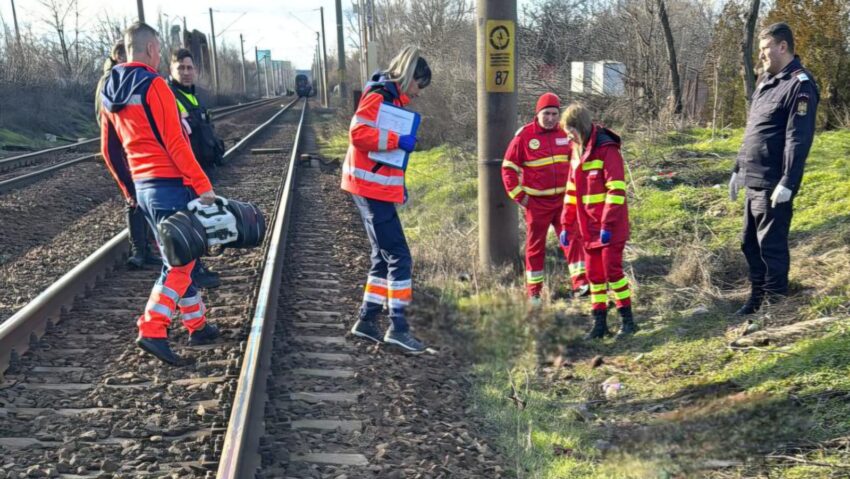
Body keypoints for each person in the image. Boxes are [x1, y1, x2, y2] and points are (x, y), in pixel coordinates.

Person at [99, 22, 220, 365]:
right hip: (168, 184)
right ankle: (153, 327)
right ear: (152, 50)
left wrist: (129, 190)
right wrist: (202, 185)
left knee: (177, 255)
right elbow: (176, 144)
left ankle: (197, 325)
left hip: (143, 186)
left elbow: (109, 150)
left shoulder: (109, 89)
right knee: (182, 261)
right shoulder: (154, 85)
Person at [341, 46, 431, 354]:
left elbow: (384, 158)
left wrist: (397, 188)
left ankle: (367, 321)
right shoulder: (379, 95)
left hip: (372, 187)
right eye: (420, 86)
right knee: (400, 257)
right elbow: (358, 134)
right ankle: (398, 326)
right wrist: (397, 140)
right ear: (410, 77)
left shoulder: (388, 97)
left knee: (382, 255)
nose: (419, 93)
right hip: (368, 188)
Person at [729, 22, 819, 315]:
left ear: (782, 47)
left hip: (773, 184)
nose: (762, 55)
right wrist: (737, 169)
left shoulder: (800, 85)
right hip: (752, 179)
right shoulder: (766, 81)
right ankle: (757, 298)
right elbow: (753, 130)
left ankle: (775, 307)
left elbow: (798, 138)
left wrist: (789, 182)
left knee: (771, 247)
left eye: (765, 48)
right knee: (749, 244)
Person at [502, 93, 589, 306]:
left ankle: (581, 284)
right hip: (536, 204)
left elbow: (578, 159)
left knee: (572, 238)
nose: (550, 118)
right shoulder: (524, 136)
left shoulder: (565, 132)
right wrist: (520, 197)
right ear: (537, 114)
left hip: (563, 201)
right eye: (546, 114)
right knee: (535, 246)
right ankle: (534, 292)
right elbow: (508, 169)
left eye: (554, 114)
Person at [560, 104, 636, 339]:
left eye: (570, 129)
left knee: (613, 272)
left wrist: (606, 224)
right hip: (588, 228)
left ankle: (628, 320)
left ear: (579, 126)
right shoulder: (576, 151)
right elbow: (572, 192)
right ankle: (599, 324)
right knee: (594, 276)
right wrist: (566, 224)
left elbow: (616, 189)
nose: (568, 135)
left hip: (609, 228)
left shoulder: (607, 149)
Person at [95, 40, 161, 270]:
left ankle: (145, 248)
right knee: (133, 197)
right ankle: (139, 250)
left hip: (129, 147)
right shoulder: (111, 81)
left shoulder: (120, 78)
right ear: (122, 57)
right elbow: (106, 120)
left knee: (140, 197)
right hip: (124, 149)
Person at [167, 48, 223, 289]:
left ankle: (196, 267)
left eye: (190, 68)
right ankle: (193, 271)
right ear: (171, 70)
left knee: (198, 218)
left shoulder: (192, 96)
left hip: (200, 167)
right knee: (190, 220)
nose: (186, 72)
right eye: (181, 68)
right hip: (185, 172)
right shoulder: (170, 96)